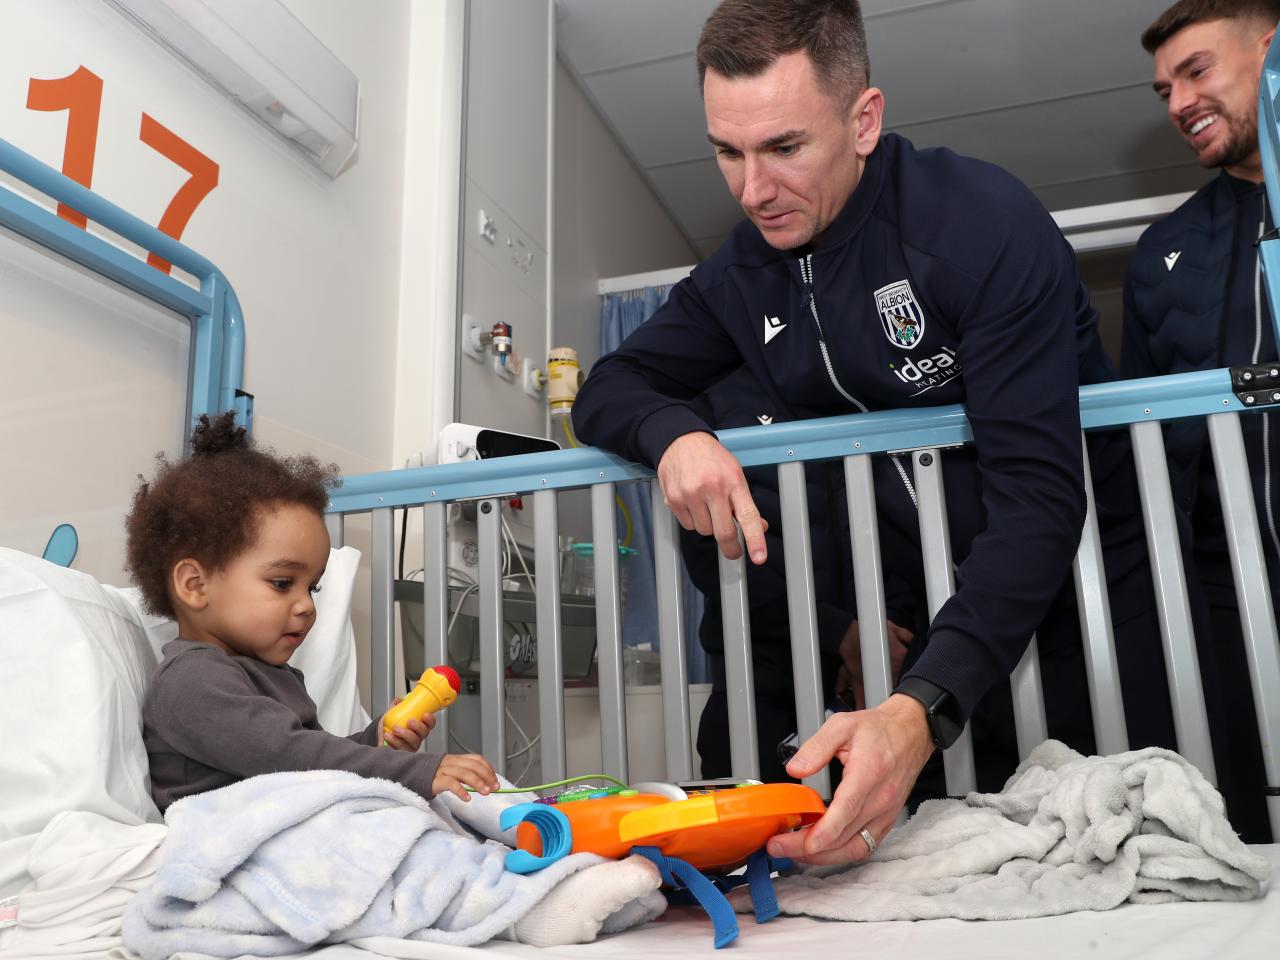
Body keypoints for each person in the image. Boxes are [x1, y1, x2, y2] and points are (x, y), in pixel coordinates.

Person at [573, 0, 1213, 864]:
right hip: (925, 622)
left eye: (785, 147)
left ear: (864, 120)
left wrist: (924, 707)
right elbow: (609, 384)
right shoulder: (743, 271)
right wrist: (672, 433)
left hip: (1082, 599)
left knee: (1136, 847)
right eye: (728, 151)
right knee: (954, 861)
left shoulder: (979, 224)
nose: (752, 189)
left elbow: (1038, 496)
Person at [126, 411, 499, 813]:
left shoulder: (276, 676)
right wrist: (414, 771)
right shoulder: (192, 682)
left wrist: (378, 742)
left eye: (313, 587)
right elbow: (289, 756)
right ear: (196, 586)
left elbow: (317, 764)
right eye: (283, 583)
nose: (306, 605)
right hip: (236, 838)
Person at [1122, 0, 1279, 841]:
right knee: (1243, 832)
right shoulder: (1163, 251)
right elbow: (1130, 440)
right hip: (1219, 598)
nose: (1178, 100)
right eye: (1163, 89)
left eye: (1197, 70)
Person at [675, 367, 915, 785]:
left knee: (897, 835)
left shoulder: (853, 379)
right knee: (748, 836)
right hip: (760, 676)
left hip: (882, 672)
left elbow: (901, 523)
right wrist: (840, 633)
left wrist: (879, 631)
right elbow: (712, 557)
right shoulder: (708, 403)